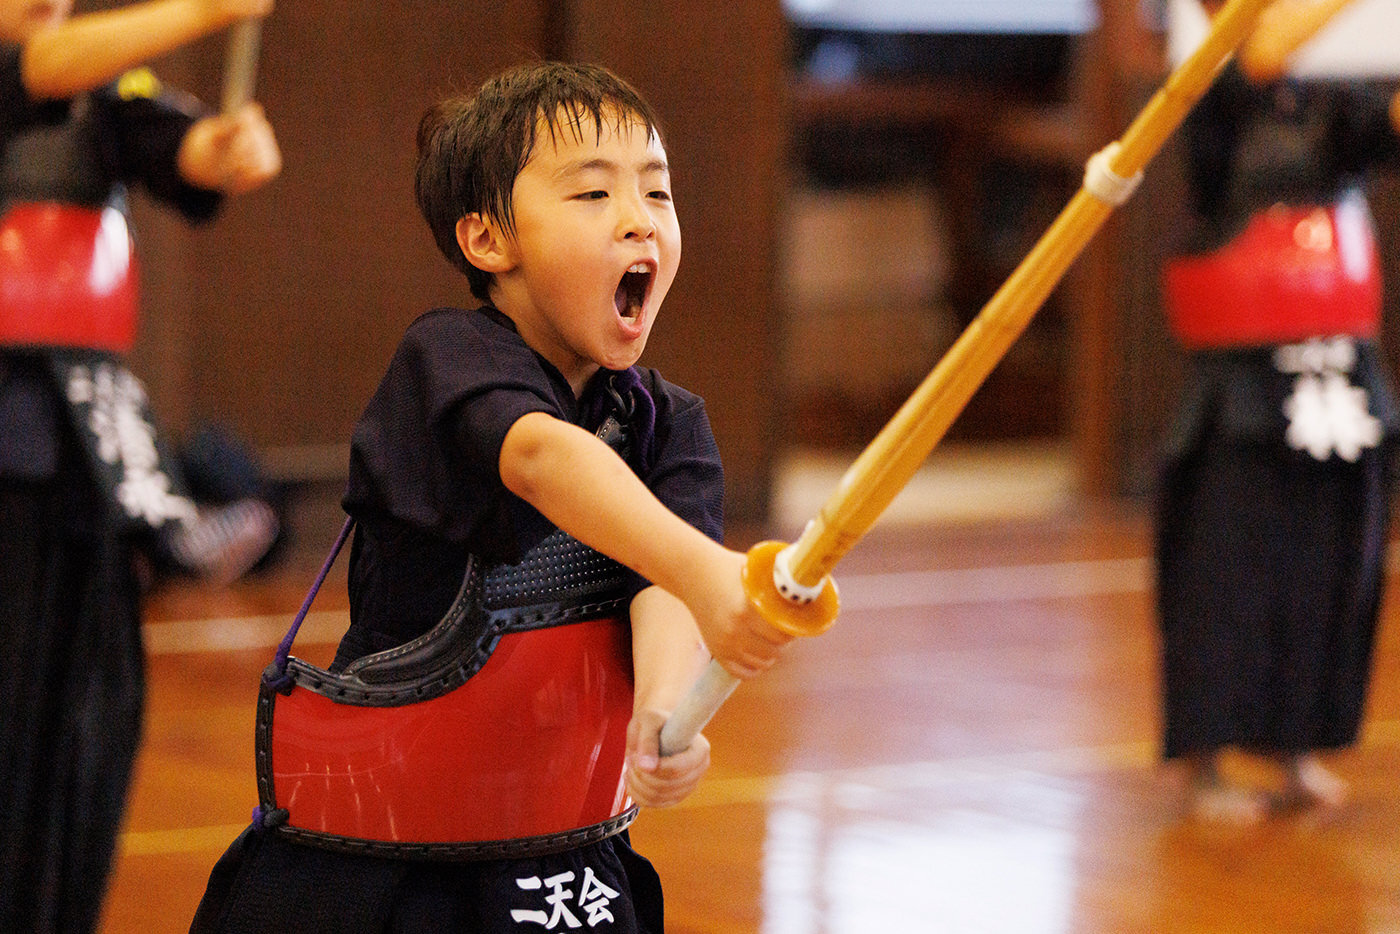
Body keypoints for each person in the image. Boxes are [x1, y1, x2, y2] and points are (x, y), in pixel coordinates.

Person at [189, 60, 791, 933]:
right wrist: (711, 570)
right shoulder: (447, 360)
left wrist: (664, 710)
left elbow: (661, 588)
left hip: (560, 859)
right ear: (487, 242)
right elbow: (545, 460)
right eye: (592, 196)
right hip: (380, 869)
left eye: (657, 195)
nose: (639, 221)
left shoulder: (670, 424)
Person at [0, 1, 281, 931]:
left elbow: (191, 151)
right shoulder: (44, 69)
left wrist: (229, 146)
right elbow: (40, 64)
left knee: (80, 726)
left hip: (83, 458)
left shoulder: (103, 97)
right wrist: (204, 6)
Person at [1156, 0, 1400, 823]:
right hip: (1245, 390)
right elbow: (1257, 51)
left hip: (1337, 374)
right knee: (1232, 567)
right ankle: (1209, 764)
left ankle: (1297, 748)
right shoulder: (1213, 84)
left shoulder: (1332, 96)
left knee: (1331, 563)